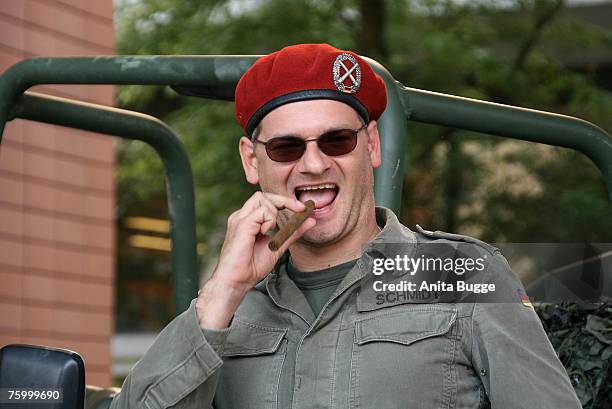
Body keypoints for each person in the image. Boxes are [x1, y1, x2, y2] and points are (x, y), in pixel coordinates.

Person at [110, 44, 581, 409]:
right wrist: (219, 297)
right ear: (252, 162)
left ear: (371, 146)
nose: (314, 164)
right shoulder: (226, 311)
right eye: (287, 148)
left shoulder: (464, 274)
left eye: (337, 140)